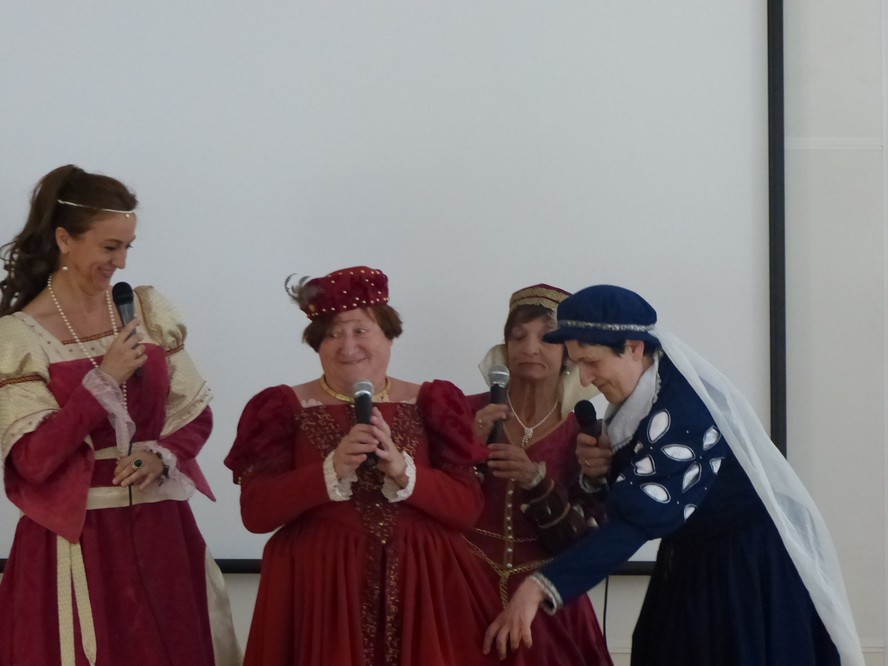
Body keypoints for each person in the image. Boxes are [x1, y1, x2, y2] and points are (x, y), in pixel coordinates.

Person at [484, 285, 864, 665]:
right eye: (578, 362)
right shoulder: (644, 392)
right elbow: (636, 495)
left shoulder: (685, 412)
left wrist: (538, 588)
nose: (584, 379)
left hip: (743, 572)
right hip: (690, 559)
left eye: (593, 362)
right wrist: (600, 473)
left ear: (634, 347)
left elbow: (636, 521)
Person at [0, 165, 240, 666]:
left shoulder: (145, 310)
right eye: (110, 247)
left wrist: (162, 454)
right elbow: (33, 460)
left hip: (161, 530)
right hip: (80, 542)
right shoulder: (19, 337)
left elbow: (193, 414)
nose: (122, 261)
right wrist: (102, 381)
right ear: (64, 239)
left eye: (128, 246)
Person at [224, 265, 520, 666]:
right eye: (332, 333)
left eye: (361, 330)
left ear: (388, 334)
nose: (348, 346)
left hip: (425, 589)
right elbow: (257, 513)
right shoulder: (281, 407)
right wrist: (330, 470)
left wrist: (403, 471)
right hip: (321, 591)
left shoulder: (434, 401)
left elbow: (466, 508)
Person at [467, 283, 612, 665]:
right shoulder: (467, 413)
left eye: (547, 338)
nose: (530, 348)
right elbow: (436, 503)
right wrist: (467, 448)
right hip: (463, 587)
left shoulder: (585, 434)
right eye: (518, 336)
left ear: (568, 353)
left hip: (545, 598)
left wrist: (536, 482)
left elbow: (587, 539)